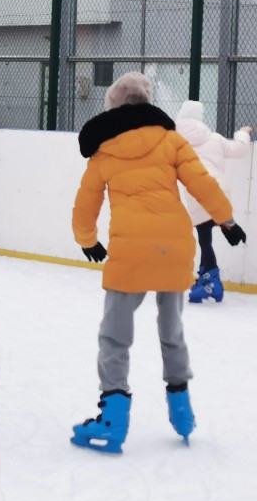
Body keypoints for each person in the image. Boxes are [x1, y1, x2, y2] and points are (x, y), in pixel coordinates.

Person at [71, 72, 247, 453]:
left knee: (115, 335)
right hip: (175, 248)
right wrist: (226, 220)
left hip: (129, 252)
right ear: (148, 102)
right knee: (172, 330)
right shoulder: (171, 140)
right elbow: (202, 182)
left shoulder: (104, 150)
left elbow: (86, 203)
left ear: (114, 107)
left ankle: (112, 417)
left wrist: (88, 240)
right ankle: (182, 410)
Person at [175, 100, 253, 303]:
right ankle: (207, 278)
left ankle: (212, 281)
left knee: (204, 239)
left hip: (197, 194)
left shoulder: (175, 142)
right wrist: (243, 132)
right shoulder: (215, 138)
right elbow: (240, 149)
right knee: (208, 237)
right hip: (220, 191)